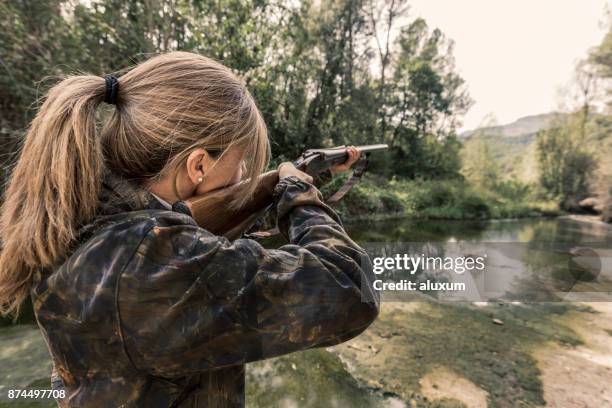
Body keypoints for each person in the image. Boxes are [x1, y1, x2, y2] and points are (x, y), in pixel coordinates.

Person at [0, 51, 379, 407]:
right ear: (198, 166)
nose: (245, 176)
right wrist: (297, 190)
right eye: (243, 162)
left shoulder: (76, 214)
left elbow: (213, 234)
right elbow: (351, 286)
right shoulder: (157, 260)